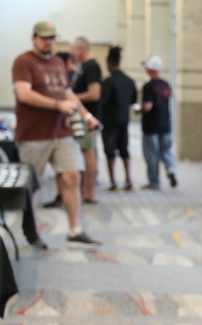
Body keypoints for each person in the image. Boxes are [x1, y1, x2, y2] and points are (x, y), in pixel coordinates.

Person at [12, 21, 101, 248]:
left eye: (51, 38)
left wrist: (87, 116)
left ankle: (75, 230)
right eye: (44, 38)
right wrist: (57, 105)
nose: (48, 42)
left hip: (62, 132)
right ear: (34, 38)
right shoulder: (24, 61)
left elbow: (68, 93)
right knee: (31, 186)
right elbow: (24, 94)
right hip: (34, 135)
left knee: (72, 176)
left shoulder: (58, 63)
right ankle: (31, 231)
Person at [41, 51, 78, 209]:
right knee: (62, 168)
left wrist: (87, 116)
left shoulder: (69, 77)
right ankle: (61, 195)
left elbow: (72, 99)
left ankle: (71, 195)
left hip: (69, 126)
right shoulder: (61, 77)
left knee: (70, 168)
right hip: (59, 127)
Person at [135, 55, 176, 190]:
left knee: (151, 155)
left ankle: (154, 182)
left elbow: (147, 106)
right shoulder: (166, 85)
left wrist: (139, 110)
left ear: (150, 69)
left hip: (151, 126)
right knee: (166, 151)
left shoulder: (148, 86)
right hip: (165, 124)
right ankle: (171, 168)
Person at [70, 36, 102, 204]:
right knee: (83, 153)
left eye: (73, 49)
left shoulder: (92, 67)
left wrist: (72, 98)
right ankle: (83, 190)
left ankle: (89, 192)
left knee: (88, 153)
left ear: (81, 49)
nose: (71, 53)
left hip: (87, 117)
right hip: (81, 117)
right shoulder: (83, 67)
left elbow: (94, 94)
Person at [100, 46, 137, 191]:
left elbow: (102, 102)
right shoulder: (129, 81)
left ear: (109, 63)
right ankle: (128, 180)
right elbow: (133, 101)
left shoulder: (107, 82)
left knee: (110, 152)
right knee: (124, 150)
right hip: (124, 121)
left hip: (109, 123)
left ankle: (113, 182)